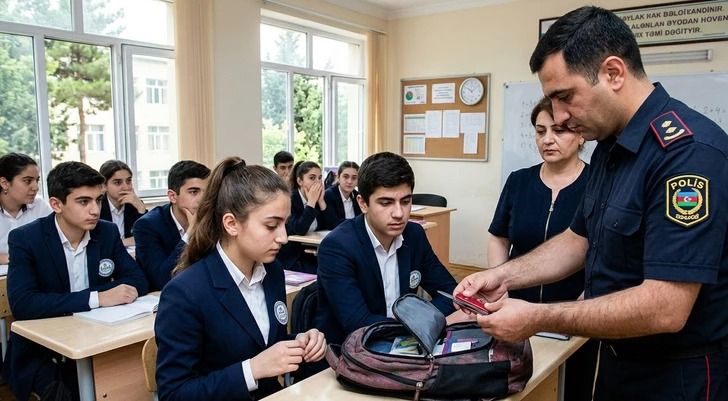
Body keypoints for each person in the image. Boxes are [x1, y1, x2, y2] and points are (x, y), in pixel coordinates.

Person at [455, 6, 728, 401]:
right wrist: (504, 277)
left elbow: (666, 307)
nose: (561, 117)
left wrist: (538, 317)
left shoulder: (686, 155)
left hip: (677, 376)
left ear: (613, 73)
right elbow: (578, 240)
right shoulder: (609, 147)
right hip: (615, 358)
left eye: (565, 97)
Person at [155, 157, 326, 401]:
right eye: (271, 225)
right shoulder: (185, 293)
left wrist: (299, 343)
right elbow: (174, 394)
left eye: (285, 224)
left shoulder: (272, 272)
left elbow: (260, 343)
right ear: (231, 224)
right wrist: (251, 370)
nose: (283, 237)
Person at [3, 161, 149, 401]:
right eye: (83, 202)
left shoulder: (107, 231)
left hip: (97, 336)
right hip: (43, 350)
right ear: (56, 204)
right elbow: (24, 304)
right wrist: (98, 298)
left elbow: (138, 280)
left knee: (132, 381)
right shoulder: (26, 239)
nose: (95, 210)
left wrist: (100, 297)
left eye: (98, 200)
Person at [488, 97, 595, 401]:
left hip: (572, 314)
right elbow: (498, 237)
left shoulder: (598, 184)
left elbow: (602, 250)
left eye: (559, 130)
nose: (547, 139)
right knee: (517, 386)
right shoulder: (519, 181)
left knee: (571, 387)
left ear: (581, 135)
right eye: (540, 131)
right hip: (515, 309)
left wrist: (584, 304)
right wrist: (499, 282)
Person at [316, 152, 469, 345]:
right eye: (386, 203)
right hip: (353, 349)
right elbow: (358, 324)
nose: (399, 213)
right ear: (363, 203)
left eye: (405, 202)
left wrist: (419, 322)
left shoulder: (414, 235)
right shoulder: (337, 246)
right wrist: (428, 322)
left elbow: (448, 293)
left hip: (405, 344)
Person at [133, 160, 210, 291]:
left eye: (207, 192)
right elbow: (161, 280)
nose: (203, 199)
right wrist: (190, 234)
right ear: (173, 196)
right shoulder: (147, 226)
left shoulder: (212, 220)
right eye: (193, 192)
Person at [277, 160, 336, 273]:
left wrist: (321, 202)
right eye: (312, 178)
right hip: (294, 255)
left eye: (320, 178)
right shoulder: (290, 199)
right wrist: (311, 203)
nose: (317, 182)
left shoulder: (320, 198)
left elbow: (333, 226)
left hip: (314, 252)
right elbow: (299, 229)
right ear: (300, 181)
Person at [0, 153, 52, 265]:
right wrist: (15, 258)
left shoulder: (40, 206)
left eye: (37, 181)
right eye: (28, 181)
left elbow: (54, 243)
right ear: (4, 183)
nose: (36, 187)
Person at [98, 159, 147, 247]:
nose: (126, 187)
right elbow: (99, 242)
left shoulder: (135, 204)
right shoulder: (97, 207)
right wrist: (123, 242)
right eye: (118, 182)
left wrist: (141, 208)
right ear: (104, 186)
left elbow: (148, 237)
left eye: (128, 181)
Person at [323, 161, 361, 227]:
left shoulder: (358, 196)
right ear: (338, 177)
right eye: (346, 177)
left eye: (354, 178)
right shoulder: (329, 195)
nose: (350, 181)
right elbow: (333, 223)